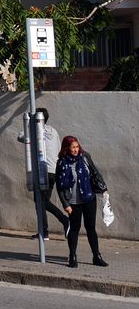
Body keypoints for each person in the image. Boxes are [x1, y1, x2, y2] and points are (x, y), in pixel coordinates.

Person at [55, 135, 109, 268]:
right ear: (66, 148)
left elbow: (95, 172)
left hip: (89, 198)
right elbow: (60, 186)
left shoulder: (85, 157)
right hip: (73, 202)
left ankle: (96, 256)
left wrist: (104, 189)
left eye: (77, 147)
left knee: (91, 228)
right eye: (73, 147)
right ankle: (72, 256)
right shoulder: (62, 162)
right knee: (74, 228)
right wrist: (65, 204)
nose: (75, 150)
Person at [16, 106, 68, 240]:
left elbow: (20, 136)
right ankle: (43, 232)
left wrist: (29, 124)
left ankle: (64, 221)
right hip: (54, 171)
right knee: (42, 202)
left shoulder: (34, 132)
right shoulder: (53, 131)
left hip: (43, 171)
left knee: (41, 202)